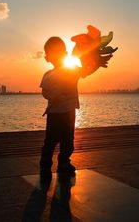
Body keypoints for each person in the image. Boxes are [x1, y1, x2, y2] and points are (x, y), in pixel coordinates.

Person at [39, 36, 112, 177]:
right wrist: (52, 96)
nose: (57, 57)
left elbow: (86, 70)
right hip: (54, 114)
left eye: (59, 53)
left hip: (69, 113)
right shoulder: (48, 75)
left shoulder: (71, 70)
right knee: (50, 141)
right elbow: (44, 92)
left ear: (65, 55)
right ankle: (45, 165)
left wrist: (97, 62)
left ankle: (64, 163)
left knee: (68, 141)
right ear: (47, 58)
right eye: (53, 54)